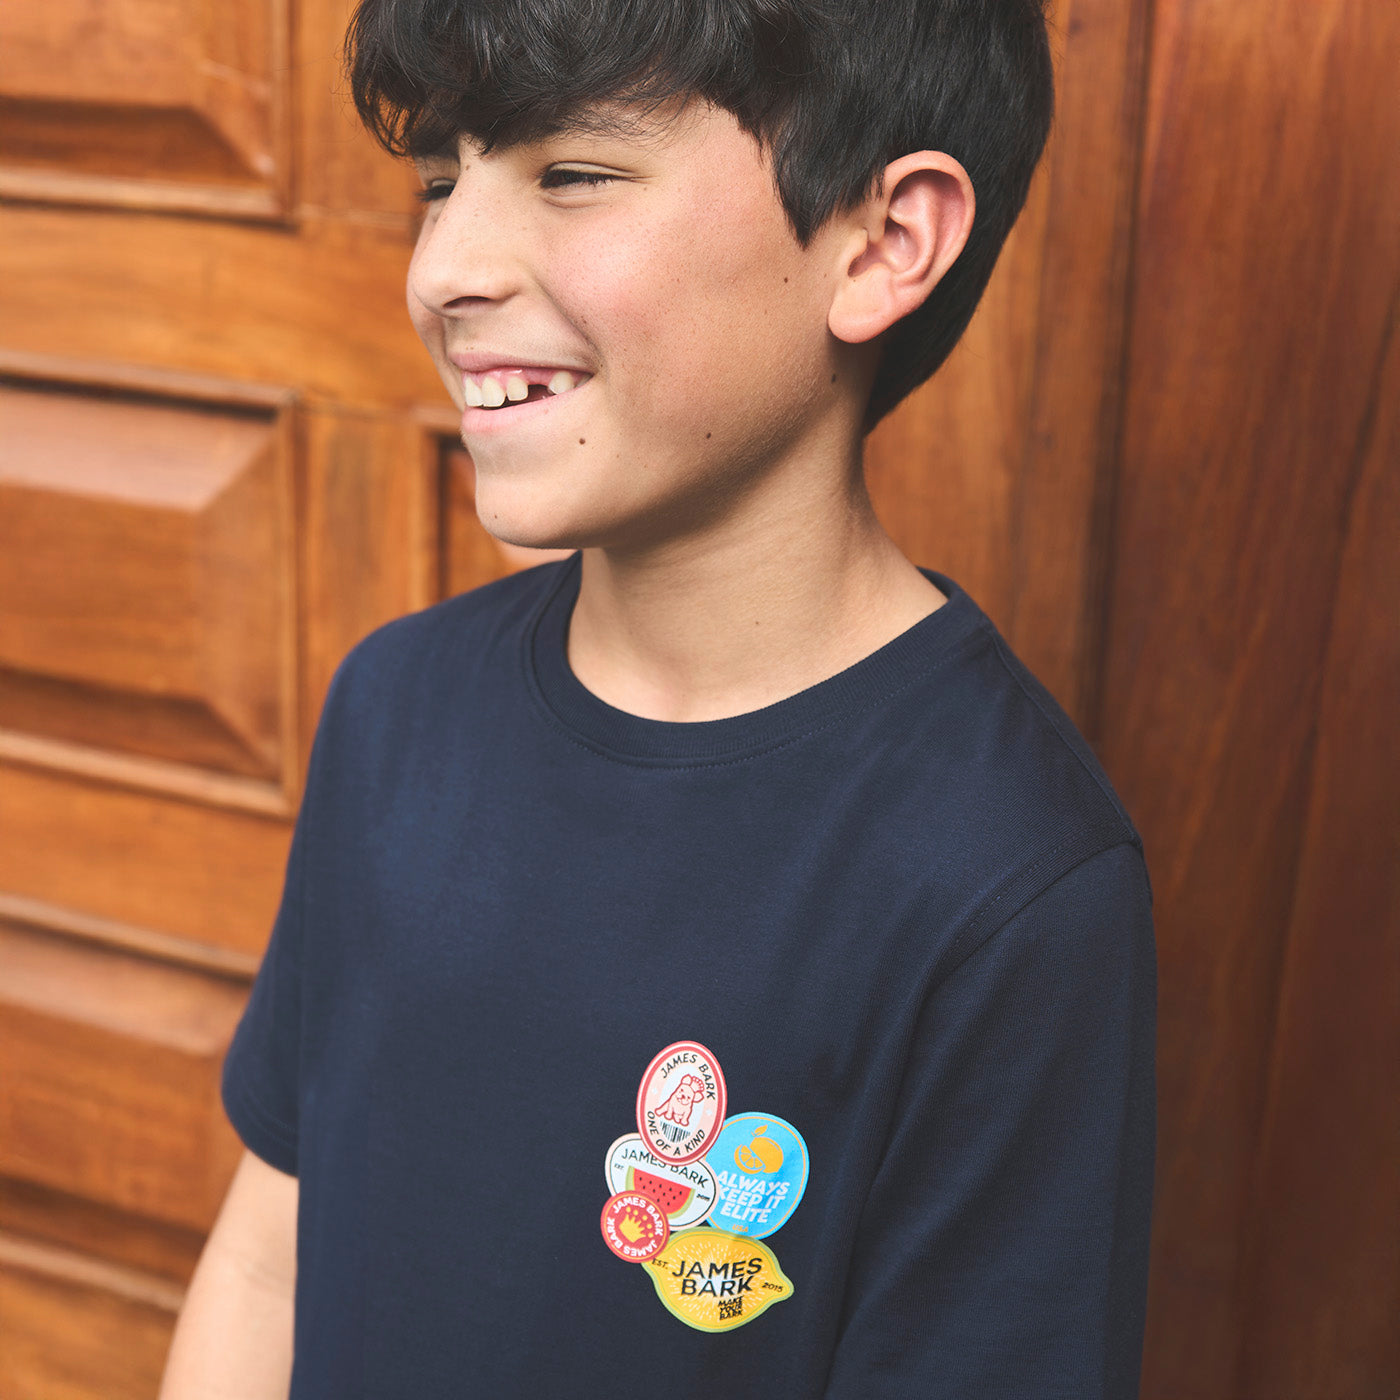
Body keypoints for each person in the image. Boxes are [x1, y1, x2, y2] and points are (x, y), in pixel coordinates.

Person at [160, 1, 1156, 1396]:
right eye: (441, 180)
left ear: (884, 243)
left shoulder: (1013, 887)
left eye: (572, 172)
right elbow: (268, 1261)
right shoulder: (395, 712)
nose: (443, 270)